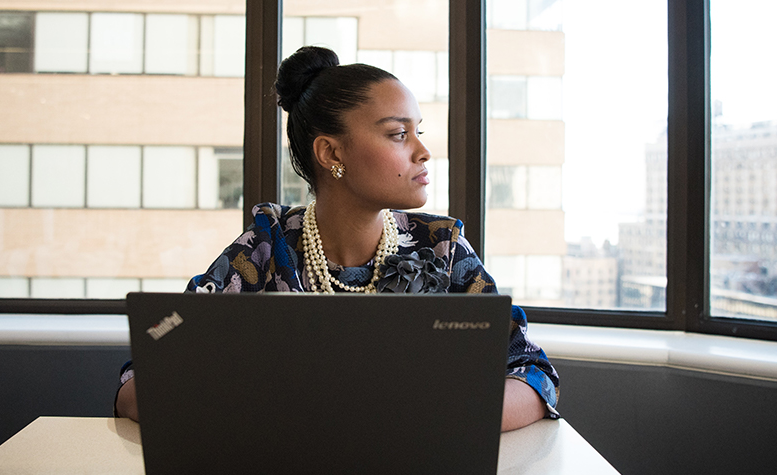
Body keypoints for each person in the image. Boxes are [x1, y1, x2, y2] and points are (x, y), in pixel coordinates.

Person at [116, 46, 559, 431]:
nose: (423, 151)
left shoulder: (442, 248)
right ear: (331, 153)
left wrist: (428, 418)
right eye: (398, 134)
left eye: (418, 131)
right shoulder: (266, 247)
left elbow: (533, 374)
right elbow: (141, 378)